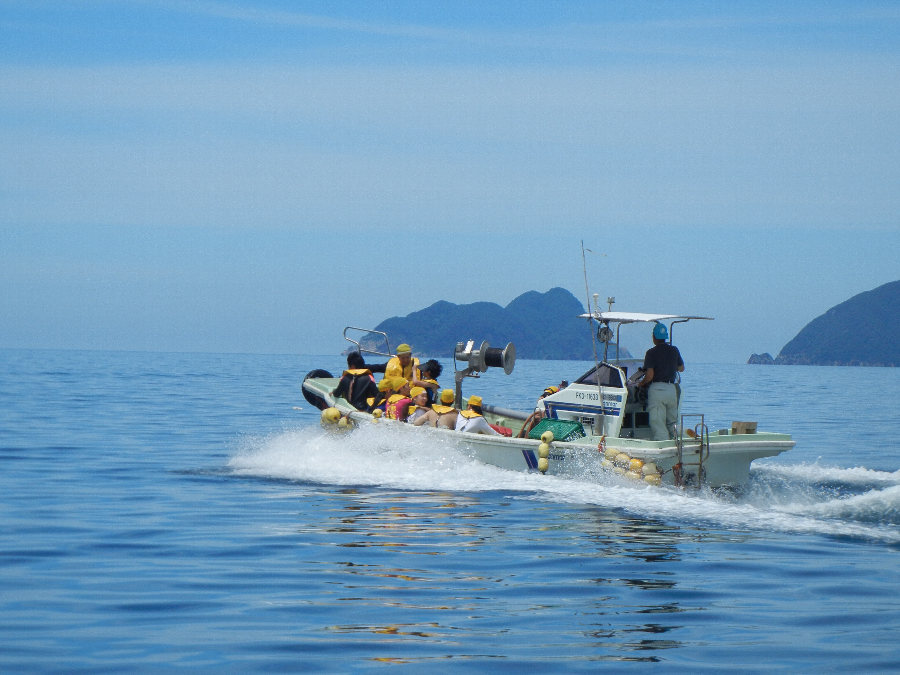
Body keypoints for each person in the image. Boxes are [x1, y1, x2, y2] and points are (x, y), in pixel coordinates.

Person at [635, 323, 684, 441]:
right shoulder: (674, 350)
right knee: (672, 422)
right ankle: (681, 439)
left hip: (658, 389)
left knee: (658, 422)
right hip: (671, 389)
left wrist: (642, 383)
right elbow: (681, 368)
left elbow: (650, 375)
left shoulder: (651, 353)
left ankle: (663, 445)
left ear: (654, 336)